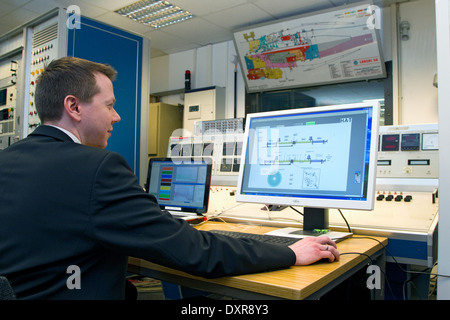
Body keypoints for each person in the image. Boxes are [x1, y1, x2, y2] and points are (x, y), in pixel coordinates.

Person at [0, 57, 339, 299]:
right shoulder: (97, 167)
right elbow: (195, 252)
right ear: (74, 107)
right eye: (110, 105)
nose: (117, 116)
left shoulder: (7, 160)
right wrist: (291, 253)